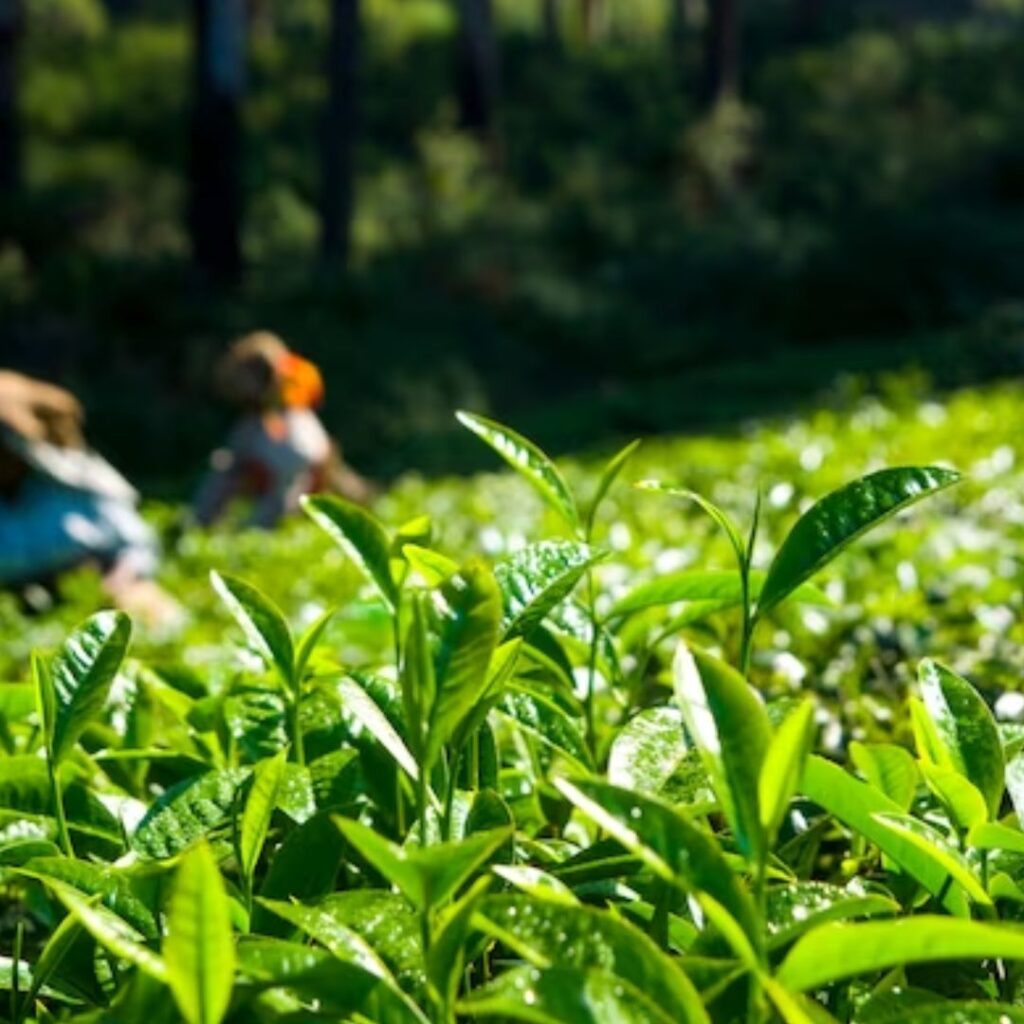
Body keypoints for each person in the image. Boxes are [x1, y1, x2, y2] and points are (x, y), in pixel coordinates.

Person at [0, 370, 179, 625]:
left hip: (99, 596)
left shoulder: (72, 480)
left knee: (143, 611)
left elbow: (135, 545)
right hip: (18, 609)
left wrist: (117, 582)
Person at [194, 332, 371, 528]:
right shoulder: (250, 424)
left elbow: (298, 467)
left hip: (303, 480)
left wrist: (259, 527)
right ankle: (200, 524)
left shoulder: (295, 420)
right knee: (223, 466)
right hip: (272, 477)